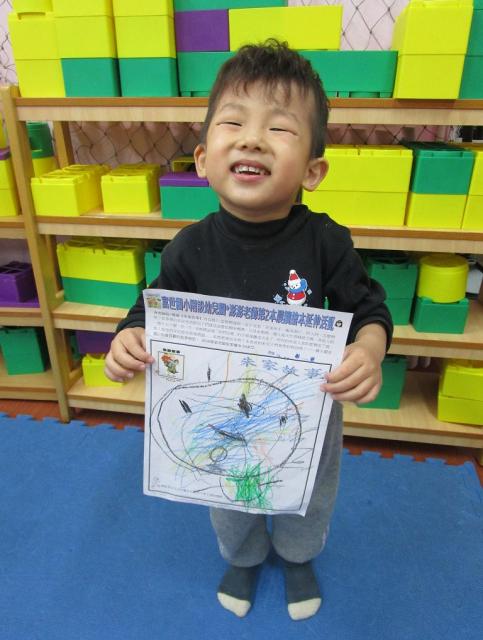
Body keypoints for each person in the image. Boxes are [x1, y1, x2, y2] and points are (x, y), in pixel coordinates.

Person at [105, 40, 393, 621]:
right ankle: (242, 555)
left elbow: (369, 309)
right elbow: (151, 310)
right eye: (233, 122)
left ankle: (298, 554)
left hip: (307, 405)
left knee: (308, 490)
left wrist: (368, 349)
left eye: (279, 129)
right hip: (219, 406)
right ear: (202, 158)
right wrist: (128, 338)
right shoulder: (188, 247)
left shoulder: (326, 242)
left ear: (312, 171)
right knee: (226, 485)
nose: (252, 139)